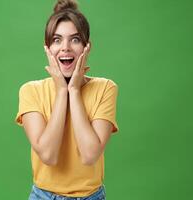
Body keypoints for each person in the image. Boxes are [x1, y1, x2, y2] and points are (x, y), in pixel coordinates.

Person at [15, 0, 119, 199]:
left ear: (87, 47)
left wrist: (75, 91)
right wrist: (62, 91)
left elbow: (90, 156)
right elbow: (48, 155)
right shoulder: (30, 91)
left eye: (75, 39)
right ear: (47, 48)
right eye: (56, 40)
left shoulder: (105, 88)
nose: (65, 48)